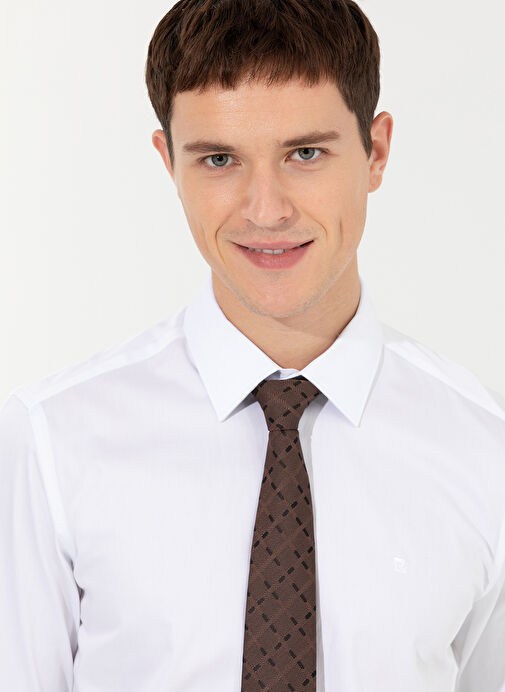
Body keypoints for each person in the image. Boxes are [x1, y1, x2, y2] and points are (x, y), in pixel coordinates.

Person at [1, 0, 504, 689]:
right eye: (219, 159)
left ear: (376, 152)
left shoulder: (484, 451)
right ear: (168, 162)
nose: (265, 210)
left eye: (305, 153)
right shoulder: (52, 442)